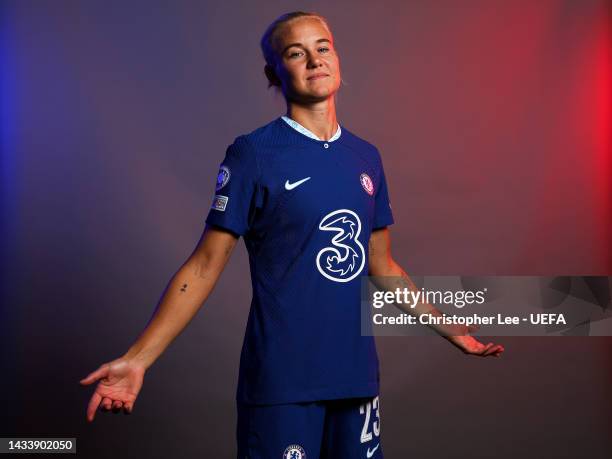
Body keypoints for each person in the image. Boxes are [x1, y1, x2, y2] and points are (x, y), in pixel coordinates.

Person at [80, 11, 504, 458]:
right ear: (274, 73)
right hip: (282, 382)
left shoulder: (366, 157)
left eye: (323, 48)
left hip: (355, 379)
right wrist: (139, 357)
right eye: (295, 53)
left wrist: (446, 328)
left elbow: (382, 265)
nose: (314, 60)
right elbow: (204, 266)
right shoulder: (254, 154)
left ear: (337, 59)